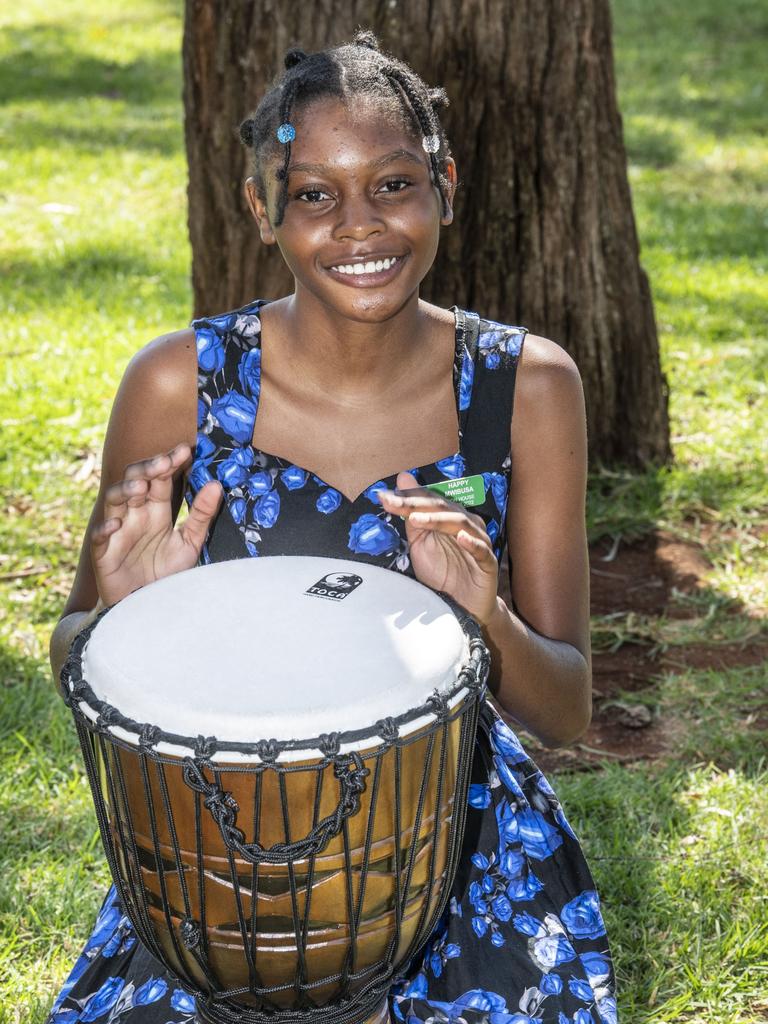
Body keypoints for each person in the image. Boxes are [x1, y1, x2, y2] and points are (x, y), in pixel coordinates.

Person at [46, 31, 618, 1024]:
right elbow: (72, 656)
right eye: (314, 194)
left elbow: (565, 706)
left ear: (445, 184)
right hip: (224, 872)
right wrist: (118, 616)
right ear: (263, 208)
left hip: (459, 852)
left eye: (393, 184)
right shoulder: (179, 385)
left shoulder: (525, 386)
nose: (361, 227)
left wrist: (488, 613)